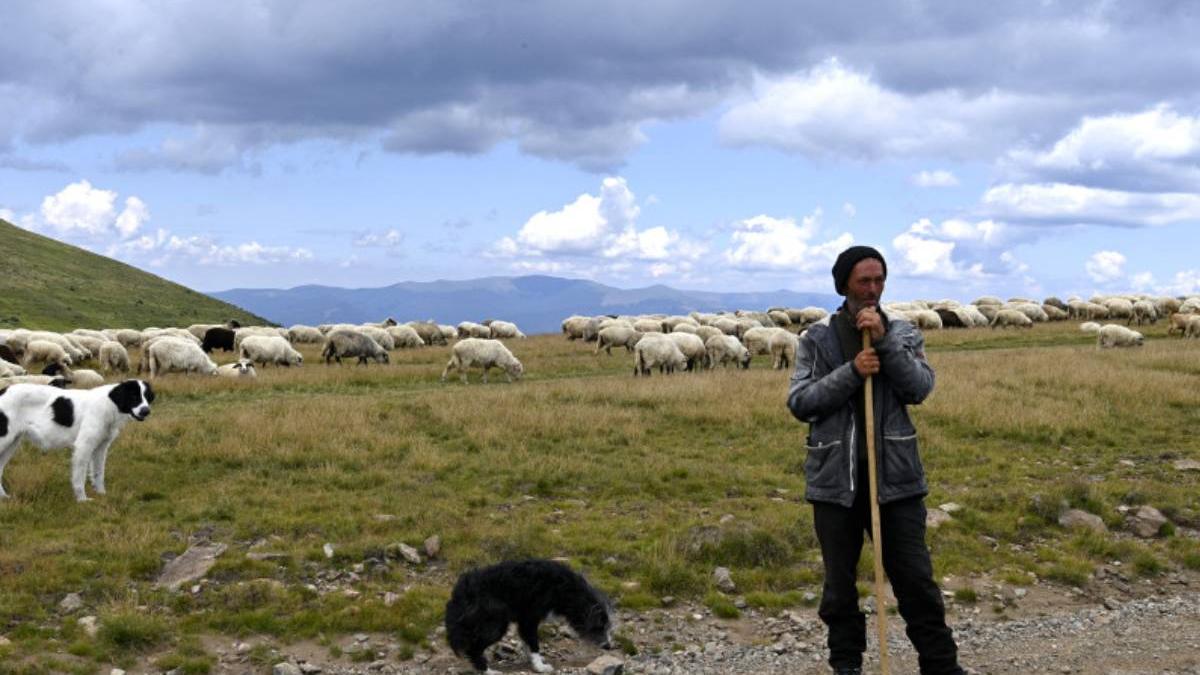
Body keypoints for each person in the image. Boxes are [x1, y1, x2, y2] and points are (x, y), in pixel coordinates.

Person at [787, 246, 963, 675]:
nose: (872, 289)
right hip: (835, 483)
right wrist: (852, 372)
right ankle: (846, 667)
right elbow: (800, 402)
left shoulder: (902, 333)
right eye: (864, 281)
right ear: (844, 283)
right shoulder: (817, 339)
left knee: (916, 582)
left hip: (896, 480)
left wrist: (884, 345)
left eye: (879, 280)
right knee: (839, 590)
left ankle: (941, 667)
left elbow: (920, 387)